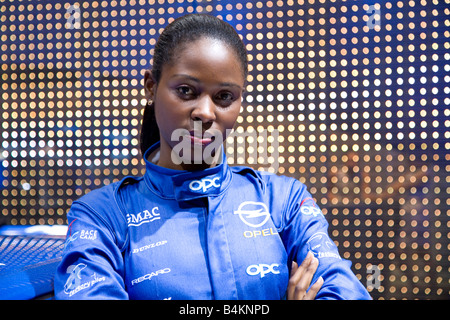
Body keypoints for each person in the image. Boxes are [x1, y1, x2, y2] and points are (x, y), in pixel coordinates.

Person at [54, 14, 371, 300]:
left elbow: (344, 291)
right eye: (187, 91)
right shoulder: (100, 216)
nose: (205, 112)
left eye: (224, 97)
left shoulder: (284, 199)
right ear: (152, 87)